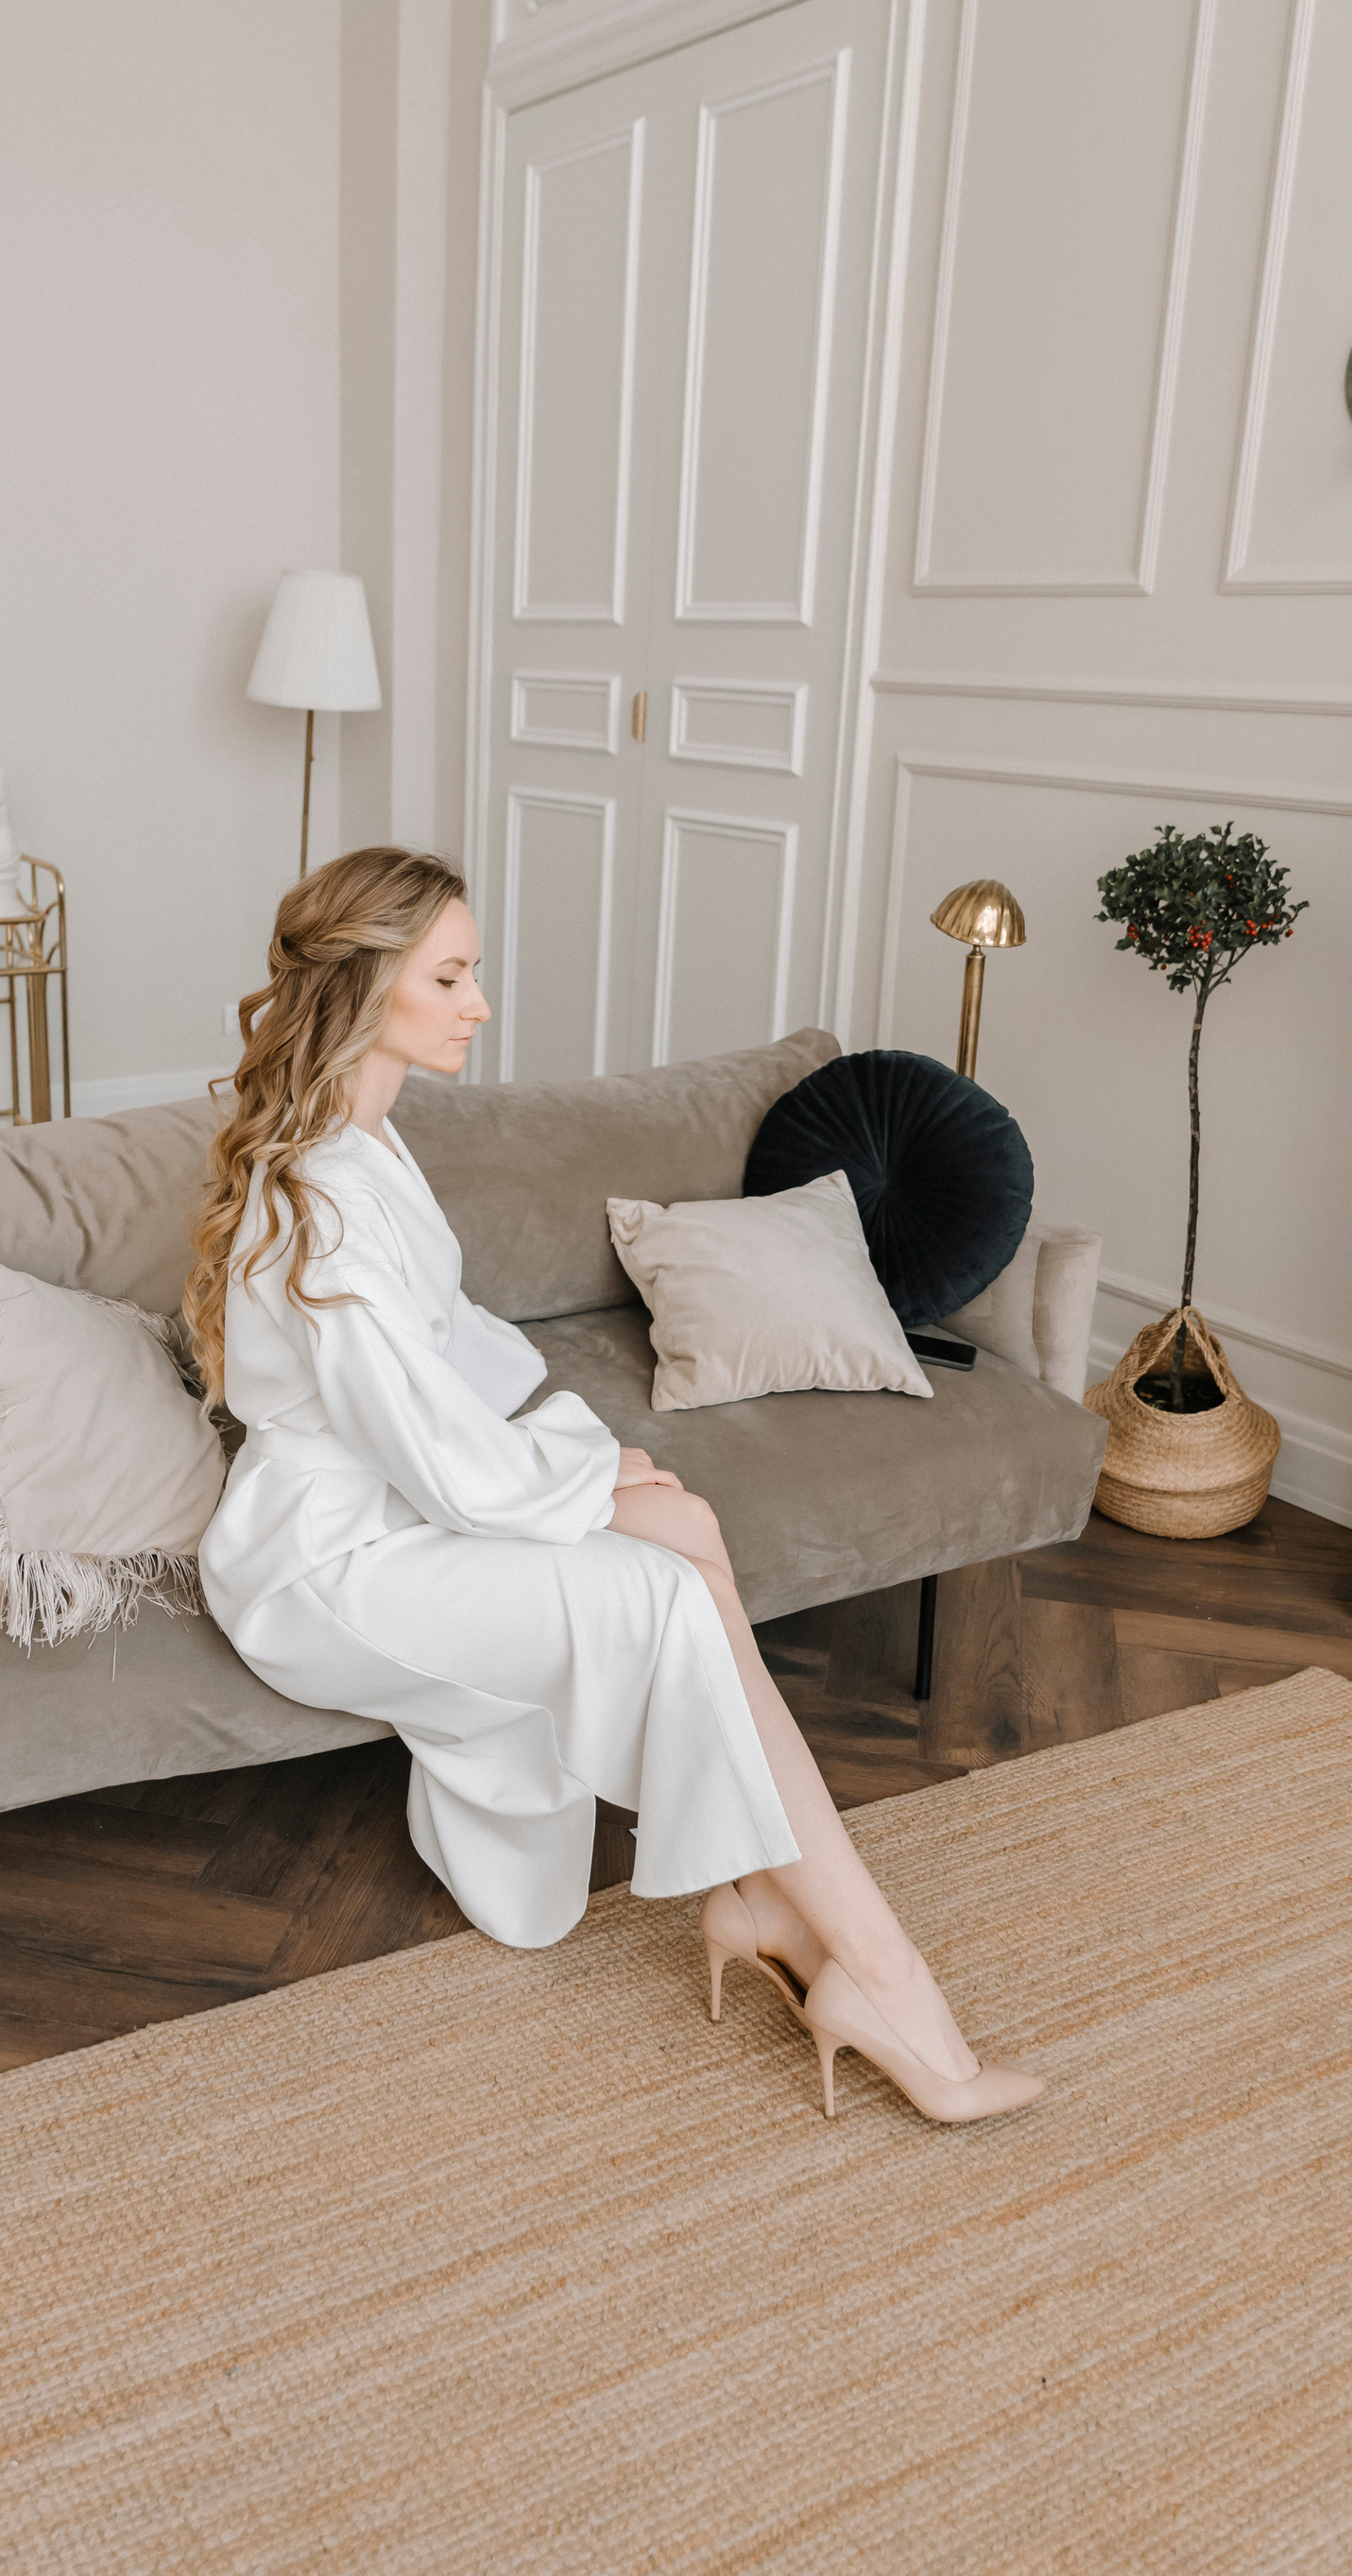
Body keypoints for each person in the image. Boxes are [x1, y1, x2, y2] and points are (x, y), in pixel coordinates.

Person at [188, 847, 1042, 2125]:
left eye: (473, 973)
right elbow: (426, 1439)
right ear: (365, 986)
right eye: (450, 977)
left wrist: (592, 1463)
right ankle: (878, 1972)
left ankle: (781, 1909)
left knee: (683, 1534)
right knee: (662, 1588)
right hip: (325, 1563)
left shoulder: (368, 1145)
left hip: (397, 1505)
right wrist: (587, 1480)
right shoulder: (321, 1194)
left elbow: (454, 1354)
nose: (479, 1004)